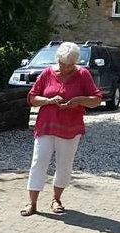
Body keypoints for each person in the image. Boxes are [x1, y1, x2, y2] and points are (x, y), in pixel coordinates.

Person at [21, 41, 103, 216]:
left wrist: (79, 100)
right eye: (62, 64)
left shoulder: (83, 74)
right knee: (38, 161)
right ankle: (32, 202)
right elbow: (32, 98)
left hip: (70, 127)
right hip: (46, 124)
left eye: (70, 65)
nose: (65, 68)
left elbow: (96, 99)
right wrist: (49, 101)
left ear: (76, 62)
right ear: (57, 59)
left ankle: (56, 199)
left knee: (64, 164)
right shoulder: (47, 73)